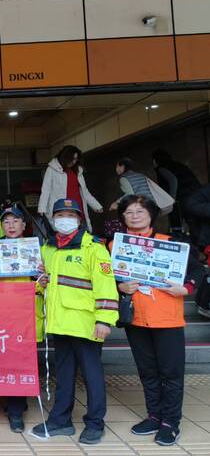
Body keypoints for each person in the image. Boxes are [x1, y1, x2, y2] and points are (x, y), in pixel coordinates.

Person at [112, 195, 205, 446]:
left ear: (151, 215)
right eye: (129, 212)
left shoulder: (170, 243)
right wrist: (119, 286)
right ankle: (154, 415)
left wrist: (186, 288)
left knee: (171, 373)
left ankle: (170, 422)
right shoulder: (116, 245)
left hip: (167, 319)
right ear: (122, 217)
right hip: (136, 319)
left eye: (140, 211)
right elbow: (107, 278)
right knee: (147, 371)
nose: (134, 216)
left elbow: (197, 270)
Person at [30, 199, 118, 445]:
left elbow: (106, 286)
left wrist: (104, 320)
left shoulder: (94, 248)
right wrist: (41, 282)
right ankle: (61, 420)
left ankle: (95, 423)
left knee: (92, 375)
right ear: (53, 219)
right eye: (60, 215)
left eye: (70, 215)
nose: (64, 220)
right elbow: (47, 283)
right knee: (64, 374)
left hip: (86, 324)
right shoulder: (49, 248)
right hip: (59, 323)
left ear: (79, 220)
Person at [0, 207, 45, 433]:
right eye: (6, 222)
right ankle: (14, 401)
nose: (11, 225)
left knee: (21, 361)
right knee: (5, 360)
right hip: (0, 313)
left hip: (27, 313)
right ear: (1, 226)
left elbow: (46, 282)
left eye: (16, 221)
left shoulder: (37, 249)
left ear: (24, 225)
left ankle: (15, 410)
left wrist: (41, 281)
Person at [38, 145, 103, 232]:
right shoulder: (52, 169)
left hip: (78, 209)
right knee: (62, 234)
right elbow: (46, 190)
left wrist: (96, 206)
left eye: (76, 159)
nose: (74, 162)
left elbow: (85, 192)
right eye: (72, 159)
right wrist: (42, 208)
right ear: (65, 157)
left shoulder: (78, 171)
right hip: (62, 210)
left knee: (82, 235)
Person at [152, 149, 201, 234]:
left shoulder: (162, 168)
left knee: (180, 222)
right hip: (197, 195)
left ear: (155, 160)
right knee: (196, 221)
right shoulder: (179, 165)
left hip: (184, 197)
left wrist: (172, 199)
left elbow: (173, 180)